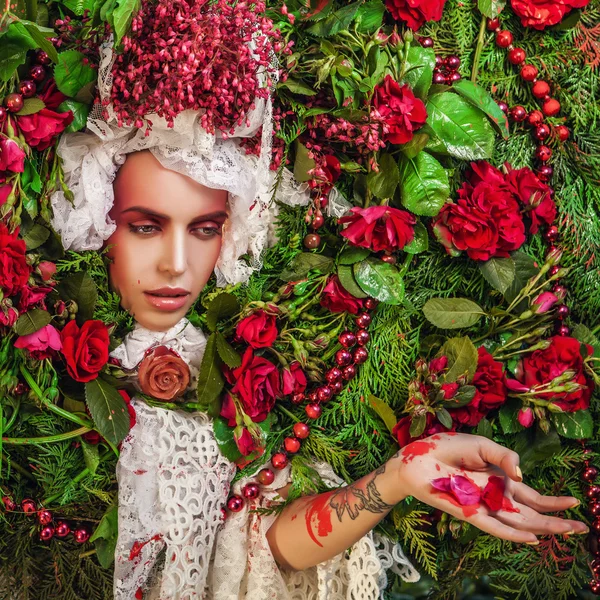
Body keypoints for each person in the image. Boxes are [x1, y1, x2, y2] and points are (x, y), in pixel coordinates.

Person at [49, 37, 588, 600]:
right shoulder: (48, 360)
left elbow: (254, 544)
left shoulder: (233, 375)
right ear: (97, 219)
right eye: (144, 225)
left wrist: (399, 477)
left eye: (205, 229)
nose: (176, 264)